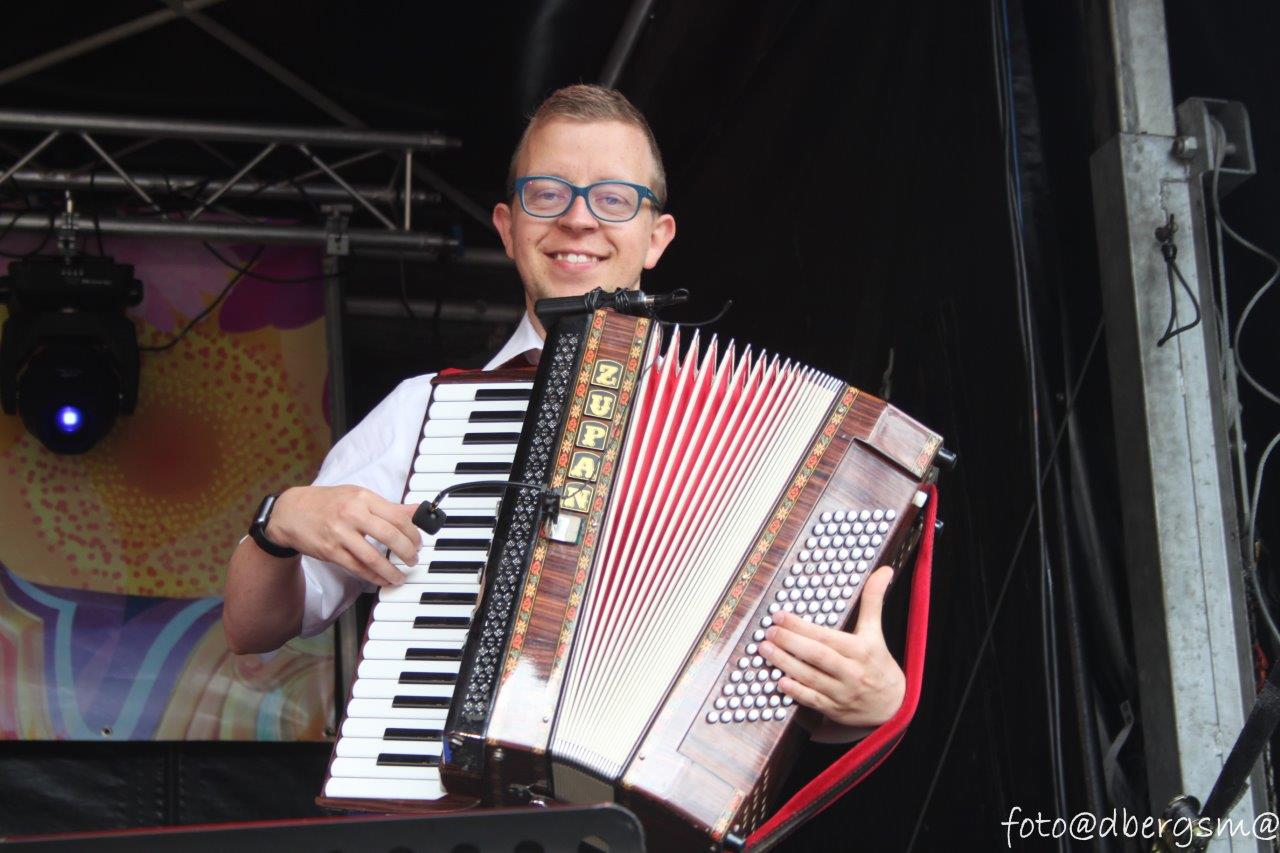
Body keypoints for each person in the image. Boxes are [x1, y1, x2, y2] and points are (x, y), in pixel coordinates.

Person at [222, 84, 904, 735]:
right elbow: (253, 628)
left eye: (614, 198)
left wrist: (873, 702)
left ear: (657, 236)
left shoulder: (763, 432)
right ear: (508, 226)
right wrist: (276, 525)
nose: (579, 219)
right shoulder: (425, 411)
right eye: (548, 194)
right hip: (458, 797)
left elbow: (795, 696)